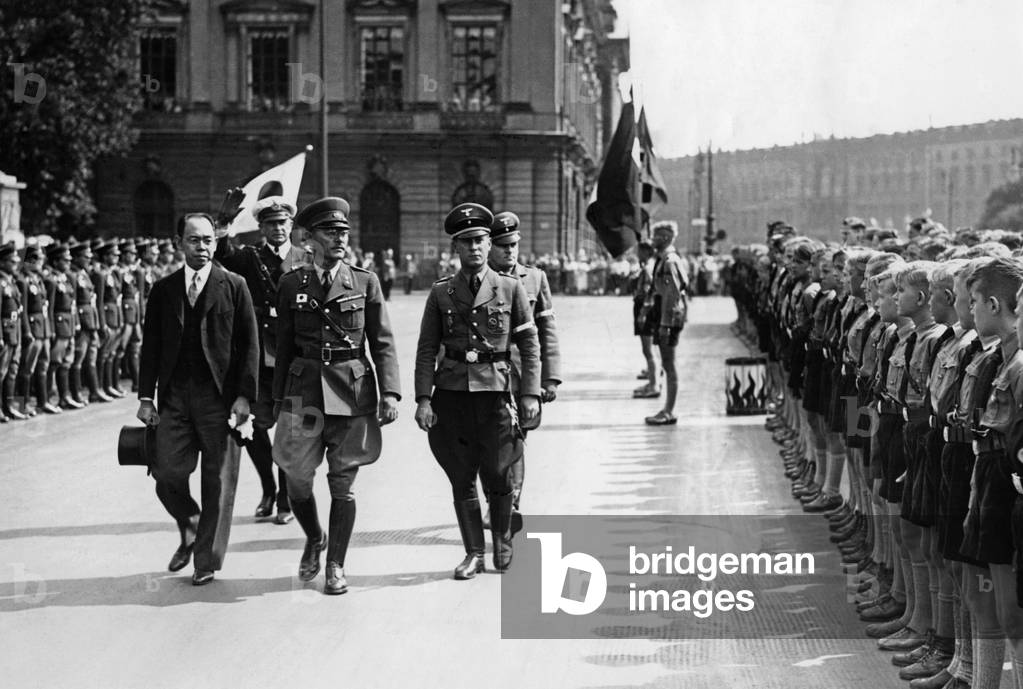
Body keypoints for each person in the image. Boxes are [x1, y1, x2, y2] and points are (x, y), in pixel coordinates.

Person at [272, 196, 401, 595]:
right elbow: (284, 347)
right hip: (304, 393)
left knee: (342, 484)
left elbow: (382, 342)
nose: (339, 238)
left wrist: (391, 392)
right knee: (296, 477)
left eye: (344, 232)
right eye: (330, 232)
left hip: (351, 390)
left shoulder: (365, 281)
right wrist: (276, 403)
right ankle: (314, 536)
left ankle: (335, 565)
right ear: (310, 239)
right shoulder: (292, 283)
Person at [414, 202, 541, 578]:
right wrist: (423, 399)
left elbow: (529, 344)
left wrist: (530, 393)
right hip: (452, 395)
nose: (474, 248)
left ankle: (501, 539)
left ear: (490, 245)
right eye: (466, 242)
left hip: (497, 392)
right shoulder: (441, 293)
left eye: (480, 241)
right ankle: (473, 553)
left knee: (500, 472)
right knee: (461, 474)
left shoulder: (511, 288)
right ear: (456, 248)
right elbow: (425, 349)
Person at [136, 213, 260, 586]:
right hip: (174, 396)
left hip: (219, 399)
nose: (203, 247)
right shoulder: (164, 290)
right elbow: (151, 346)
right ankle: (189, 521)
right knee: (166, 471)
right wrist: (146, 397)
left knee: (217, 482)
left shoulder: (234, 286)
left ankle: (205, 560)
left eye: (208, 240)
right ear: (179, 243)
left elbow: (249, 345)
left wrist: (244, 397)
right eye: (194, 240)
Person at [215, 195, 308, 525]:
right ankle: (268, 488)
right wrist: (223, 225)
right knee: (253, 426)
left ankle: (284, 496)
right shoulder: (251, 258)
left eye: (283, 223)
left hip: (292, 357)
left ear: (291, 226)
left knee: (289, 430)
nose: (278, 228)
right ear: (262, 228)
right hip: (256, 356)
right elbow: (222, 253)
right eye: (271, 224)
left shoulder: (305, 260)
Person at [486, 210, 561, 526]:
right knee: (486, 445)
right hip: (484, 376)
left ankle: (510, 504)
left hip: (520, 376)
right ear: (490, 246)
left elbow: (548, 330)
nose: (510, 251)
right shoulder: (478, 277)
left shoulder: (535, 278)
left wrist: (550, 378)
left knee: (514, 441)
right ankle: (496, 501)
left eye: (513, 244)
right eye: (503, 245)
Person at [644, 221, 689, 425]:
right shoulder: (664, 259)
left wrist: (664, 324)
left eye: (657, 236)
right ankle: (667, 408)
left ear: (666, 238)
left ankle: (669, 410)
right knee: (667, 363)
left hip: (669, 317)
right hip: (666, 315)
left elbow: (671, 295)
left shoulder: (669, 261)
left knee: (669, 364)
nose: (653, 240)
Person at [17, 245, 58, 415]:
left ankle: (43, 402)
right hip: (33, 329)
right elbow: (24, 310)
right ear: (30, 261)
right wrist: (27, 331)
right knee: (26, 370)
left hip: (43, 328)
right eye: (38, 259)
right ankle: (21, 405)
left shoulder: (38, 279)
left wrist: (50, 329)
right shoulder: (23, 280)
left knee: (43, 367)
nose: (41, 263)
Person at [44, 243, 81, 410]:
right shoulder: (51, 280)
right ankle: (48, 398)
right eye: (64, 260)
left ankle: (64, 396)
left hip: (69, 324)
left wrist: (76, 322)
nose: (68, 263)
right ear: (55, 261)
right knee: (53, 363)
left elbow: (72, 303)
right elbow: (50, 307)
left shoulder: (67, 278)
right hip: (58, 325)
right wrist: (51, 328)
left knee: (67, 362)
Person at [0, 242, 25, 421]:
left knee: (12, 371)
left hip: (15, 330)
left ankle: (10, 406)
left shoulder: (12, 282)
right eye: (11, 262)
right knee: (1, 372)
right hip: (5, 332)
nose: (15, 265)